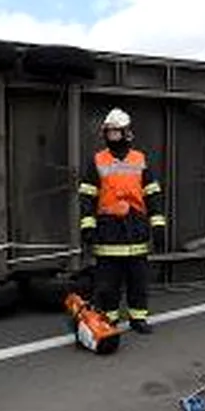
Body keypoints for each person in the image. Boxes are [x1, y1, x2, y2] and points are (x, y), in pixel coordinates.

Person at [77, 108, 167, 334]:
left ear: (127, 134)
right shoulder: (98, 160)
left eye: (116, 133)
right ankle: (109, 319)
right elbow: (87, 196)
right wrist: (87, 226)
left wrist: (158, 225)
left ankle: (139, 318)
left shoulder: (139, 159)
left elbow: (152, 193)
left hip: (135, 226)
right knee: (108, 281)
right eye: (109, 133)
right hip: (108, 228)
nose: (111, 137)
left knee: (138, 279)